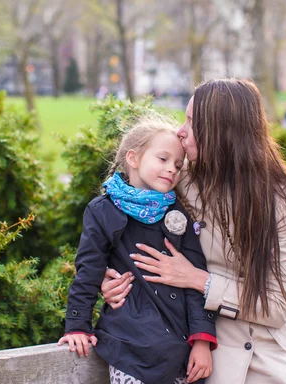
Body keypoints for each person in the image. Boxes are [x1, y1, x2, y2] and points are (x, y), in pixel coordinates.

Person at [102, 78, 286, 384]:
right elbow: (120, 218)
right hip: (204, 349)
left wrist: (197, 279)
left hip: (270, 358)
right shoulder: (181, 179)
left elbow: (279, 305)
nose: (180, 130)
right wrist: (110, 277)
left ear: (222, 133)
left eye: (192, 122)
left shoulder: (282, 202)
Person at [58, 118, 217, 384]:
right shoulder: (102, 211)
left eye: (178, 165)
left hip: (181, 352)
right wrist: (77, 325)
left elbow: (195, 280)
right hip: (129, 347)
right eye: (163, 159)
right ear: (133, 158)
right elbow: (88, 271)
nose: (172, 170)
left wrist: (202, 341)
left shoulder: (178, 214)